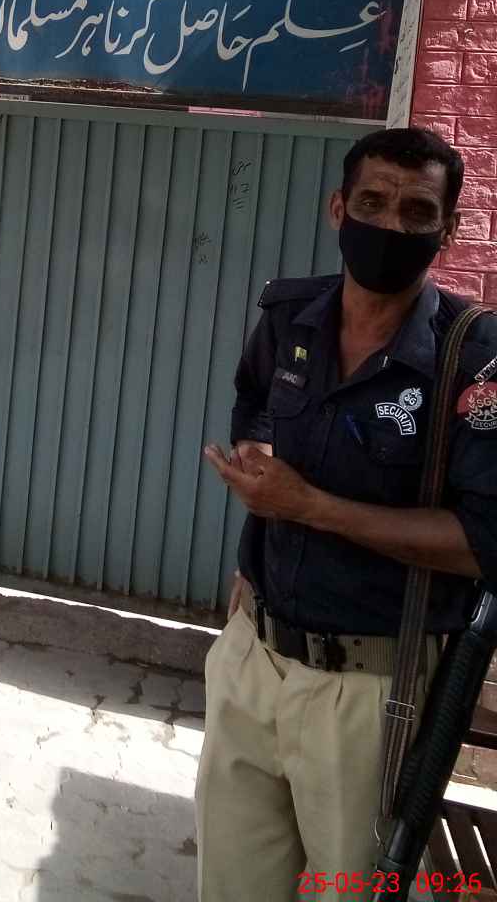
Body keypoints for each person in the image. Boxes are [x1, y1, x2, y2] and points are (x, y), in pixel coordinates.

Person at [194, 126, 497, 901]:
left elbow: (483, 542)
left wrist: (309, 507)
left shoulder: (473, 360)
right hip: (253, 658)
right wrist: (259, 466)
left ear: (448, 229)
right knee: (230, 887)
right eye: (372, 202)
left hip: (370, 693)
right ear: (339, 208)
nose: (391, 224)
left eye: (416, 211)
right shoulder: (290, 316)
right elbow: (256, 402)